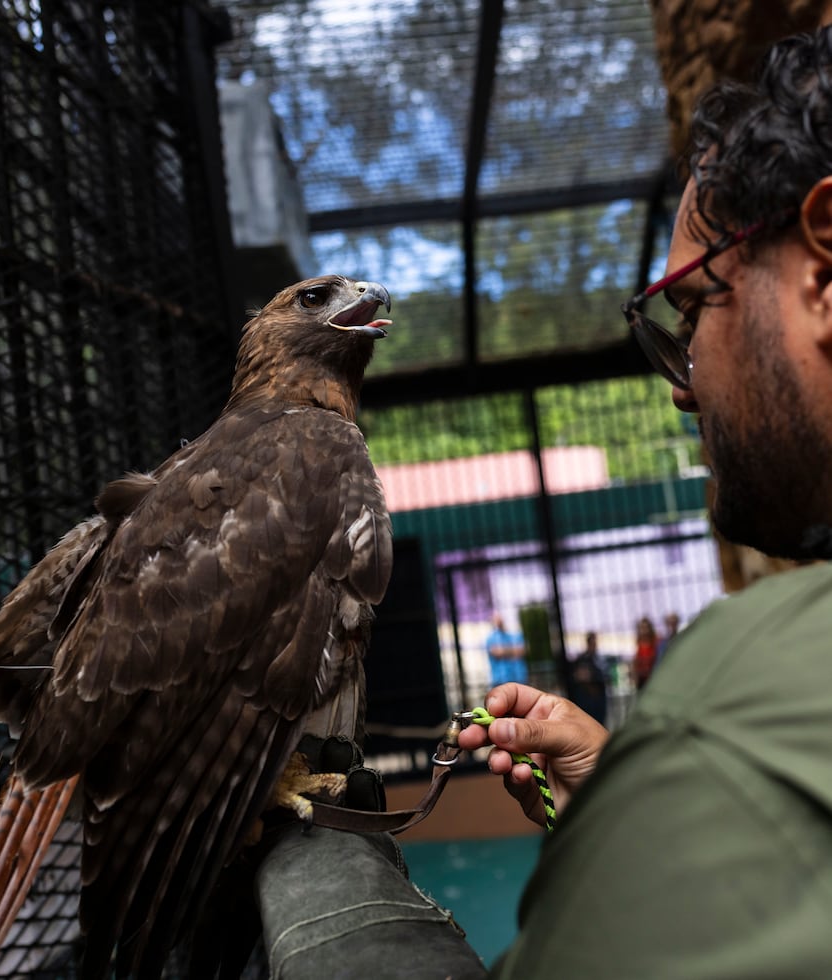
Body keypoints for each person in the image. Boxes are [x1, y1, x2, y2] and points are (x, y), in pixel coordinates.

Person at [253, 26, 832, 978]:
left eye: (691, 310)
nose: (680, 385)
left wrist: (339, 909)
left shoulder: (749, 687)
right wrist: (639, 801)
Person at [568, 630, 607, 724]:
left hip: (599, 698)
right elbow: (581, 677)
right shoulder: (583, 659)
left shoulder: (598, 658)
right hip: (589, 699)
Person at [485, 613, 528, 686]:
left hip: (519, 677)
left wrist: (504, 651)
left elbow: (522, 651)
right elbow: (497, 652)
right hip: (500, 680)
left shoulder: (515, 635)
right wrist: (513, 651)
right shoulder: (491, 638)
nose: (499, 622)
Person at [630, 614, 658, 689]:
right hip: (641, 679)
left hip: (654, 677)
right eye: (642, 628)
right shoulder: (638, 644)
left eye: (646, 627)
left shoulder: (656, 642)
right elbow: (635, 662)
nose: (644, 630)